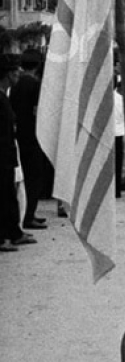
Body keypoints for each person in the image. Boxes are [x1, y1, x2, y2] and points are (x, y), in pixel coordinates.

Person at [9, 48, 51, 230]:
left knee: (23, 177)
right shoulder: (35, 85)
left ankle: (26, 213)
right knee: (34, 176)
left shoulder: (16, 84)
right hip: (34, 137)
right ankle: (29, 215)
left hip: (20, 135)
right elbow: (38, 112)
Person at [1, 53, 36, 252]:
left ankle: (14, 232)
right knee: (4, 197)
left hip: (9, 154)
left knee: (11, 195)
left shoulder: (6, 96)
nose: (19, 75)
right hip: (3, 156)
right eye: (15, 72)